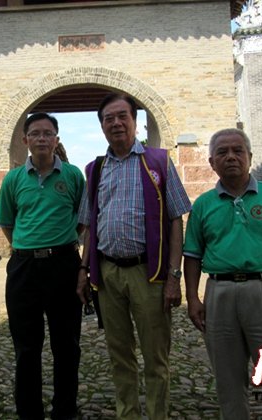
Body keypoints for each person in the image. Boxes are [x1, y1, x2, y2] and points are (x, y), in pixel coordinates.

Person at [182, 128, 262, 420]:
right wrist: (193, 298)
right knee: (228, 380)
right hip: (220, 293)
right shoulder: (203, 205)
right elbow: (192, 256)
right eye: (222, 152)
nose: (231, 157)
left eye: (238, 151)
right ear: (212, 162)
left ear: (250, 157)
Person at [76, 93, 192, 420]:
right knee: (119, 354)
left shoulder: (158, 162)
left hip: (149, 274)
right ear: (102, 126)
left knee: (156, 356)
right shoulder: (95, 169)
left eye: (122, 116)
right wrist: (83, 269)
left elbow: (176, 219)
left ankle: (157, 415)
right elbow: (90, 224)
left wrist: (174, 277)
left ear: (135, 121)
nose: (115, 123)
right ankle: (128, 414)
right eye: (108, 118)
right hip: (108, 274)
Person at [0, 112, 85, 420]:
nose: (42, 138)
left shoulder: (73, 175)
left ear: (56, 139)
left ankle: (65, 410)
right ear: (25, 140)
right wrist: (27, 248)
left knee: (67, 344)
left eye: (48, 133)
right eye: (35, 133)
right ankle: (29, 412)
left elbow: (82, 219)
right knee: (26, 347)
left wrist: (63, 243)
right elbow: (7, 222)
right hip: (24, 269)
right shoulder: (13, 179)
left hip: (64, 265)